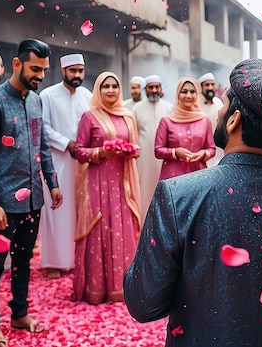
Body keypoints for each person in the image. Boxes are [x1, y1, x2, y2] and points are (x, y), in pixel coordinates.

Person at [125, 58, 262, 347]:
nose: (219, 111)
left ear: (234, 120)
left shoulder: (177, 196)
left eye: (224, 105)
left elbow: (144, 303)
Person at [0, 39, 63, 347]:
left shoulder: (36, 101)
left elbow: (41, 147)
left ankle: (19, 313)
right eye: (35, 68)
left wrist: (52, 183)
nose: (40, 75)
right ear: (16, 64)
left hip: (32, 199)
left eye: (44, 70)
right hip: (1, 202)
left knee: (24, 260)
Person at [72, 71, 142, 304]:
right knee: (99, 227)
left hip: (122, 183)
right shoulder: (89, 116)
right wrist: (102, 151)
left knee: (122, 228)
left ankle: (122, 287)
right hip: (98, 182)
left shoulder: (128, 116)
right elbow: (80, 152)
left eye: (114, 86)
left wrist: (130, 150)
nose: (110, 90)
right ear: (98, 90)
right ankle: (96, 289)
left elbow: (135, 146)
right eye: (105, 86)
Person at [38, 53, 92, 279]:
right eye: (73, 71)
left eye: (80, 70)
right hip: (57, 160)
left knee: (79, 209)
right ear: (62, 71)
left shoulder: (88, 95)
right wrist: (66, 143)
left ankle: (76, 258)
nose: (77, 75)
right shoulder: (47, 95)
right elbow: (43, 127)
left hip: (82, 162)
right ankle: (54, 262)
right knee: (56, 209)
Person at [154, 77, 215, 180]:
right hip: (173, 177)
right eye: (184, 92)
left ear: (197, 94)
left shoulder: (204, 120)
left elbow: (211, 149)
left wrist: (203, 153)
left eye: (192, 91)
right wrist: (175, 153)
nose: (188, 95)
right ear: (178, 94)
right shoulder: (167, 121)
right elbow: (158, 150)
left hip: (198, 174)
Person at [132, 74, 173, 220]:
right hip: (143, 160)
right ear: (145, 89)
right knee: (143, 191)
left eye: (157, 87)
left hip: (164, 160)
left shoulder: (170, 108)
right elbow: (132, 134)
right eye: (151, 87)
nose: (154, 90)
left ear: (161, 89)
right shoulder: (136, 109)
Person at [198, 72, 224, 167]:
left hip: (217, 149)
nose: (210, 88)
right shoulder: (195, 105)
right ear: (200, 87)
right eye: (206, 85)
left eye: (212, 84)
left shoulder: (218, 103)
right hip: (200, 150)